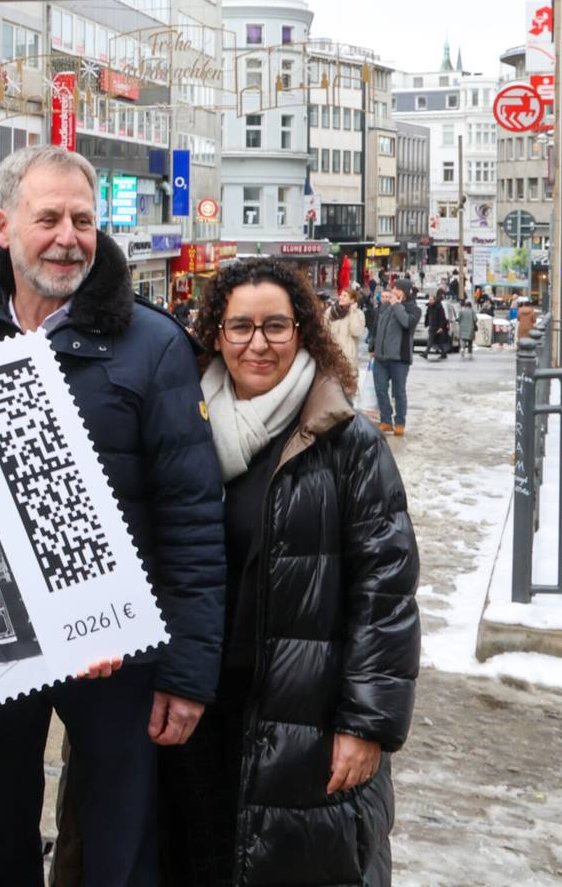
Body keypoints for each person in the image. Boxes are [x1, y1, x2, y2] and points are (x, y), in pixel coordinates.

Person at [0, 145, 223, 887]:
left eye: (82, 220)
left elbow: (192, 517)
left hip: (118, 650)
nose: (68, 238)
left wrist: (187, 672)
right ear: (2, 226)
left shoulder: (154, 344)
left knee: (120, 845)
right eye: (48, 218)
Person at [156, 258, 419, 887]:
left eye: (275, 326)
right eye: (240, 327)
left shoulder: (344, 440)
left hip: (303, 719)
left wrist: (366, 723)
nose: (258, 344)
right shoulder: (183, 429)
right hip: (197, 711)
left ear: (302, 331)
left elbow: (385, 592)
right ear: (216, 333)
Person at [368, 281, 419, 436]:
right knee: (380, 389)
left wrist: (397, 305)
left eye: (396, 289)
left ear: (404, 292)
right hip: (380, 357)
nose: (393, 291)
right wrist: (372, 347)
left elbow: (406, 323)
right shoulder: (386, 307)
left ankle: (400, 423)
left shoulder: (413, 309)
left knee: (398, 392)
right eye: (393, 288)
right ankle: (386, 421)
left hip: (399, 359)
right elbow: (377, 328)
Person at [327, 286, 367, 393]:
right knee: (331, 392)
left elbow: (356, 331)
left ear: (352, 300)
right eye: (341, 295)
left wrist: (352, 313)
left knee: (348, 392)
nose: (341, 297)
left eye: (345, 296)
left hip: (348, 359)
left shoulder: (358, 314)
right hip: (331, 357)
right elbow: (323, 330)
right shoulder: (330, 311)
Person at [456, 294, 478, 359]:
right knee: (470, 341)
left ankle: (462, 349)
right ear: (470, 306)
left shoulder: (461, 311)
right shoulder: (472, 311)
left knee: (463, 339)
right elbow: (475, 319)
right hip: (470, 328)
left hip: (462, 328)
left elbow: (459, 319)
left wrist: (460, 323)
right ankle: (470, 353)